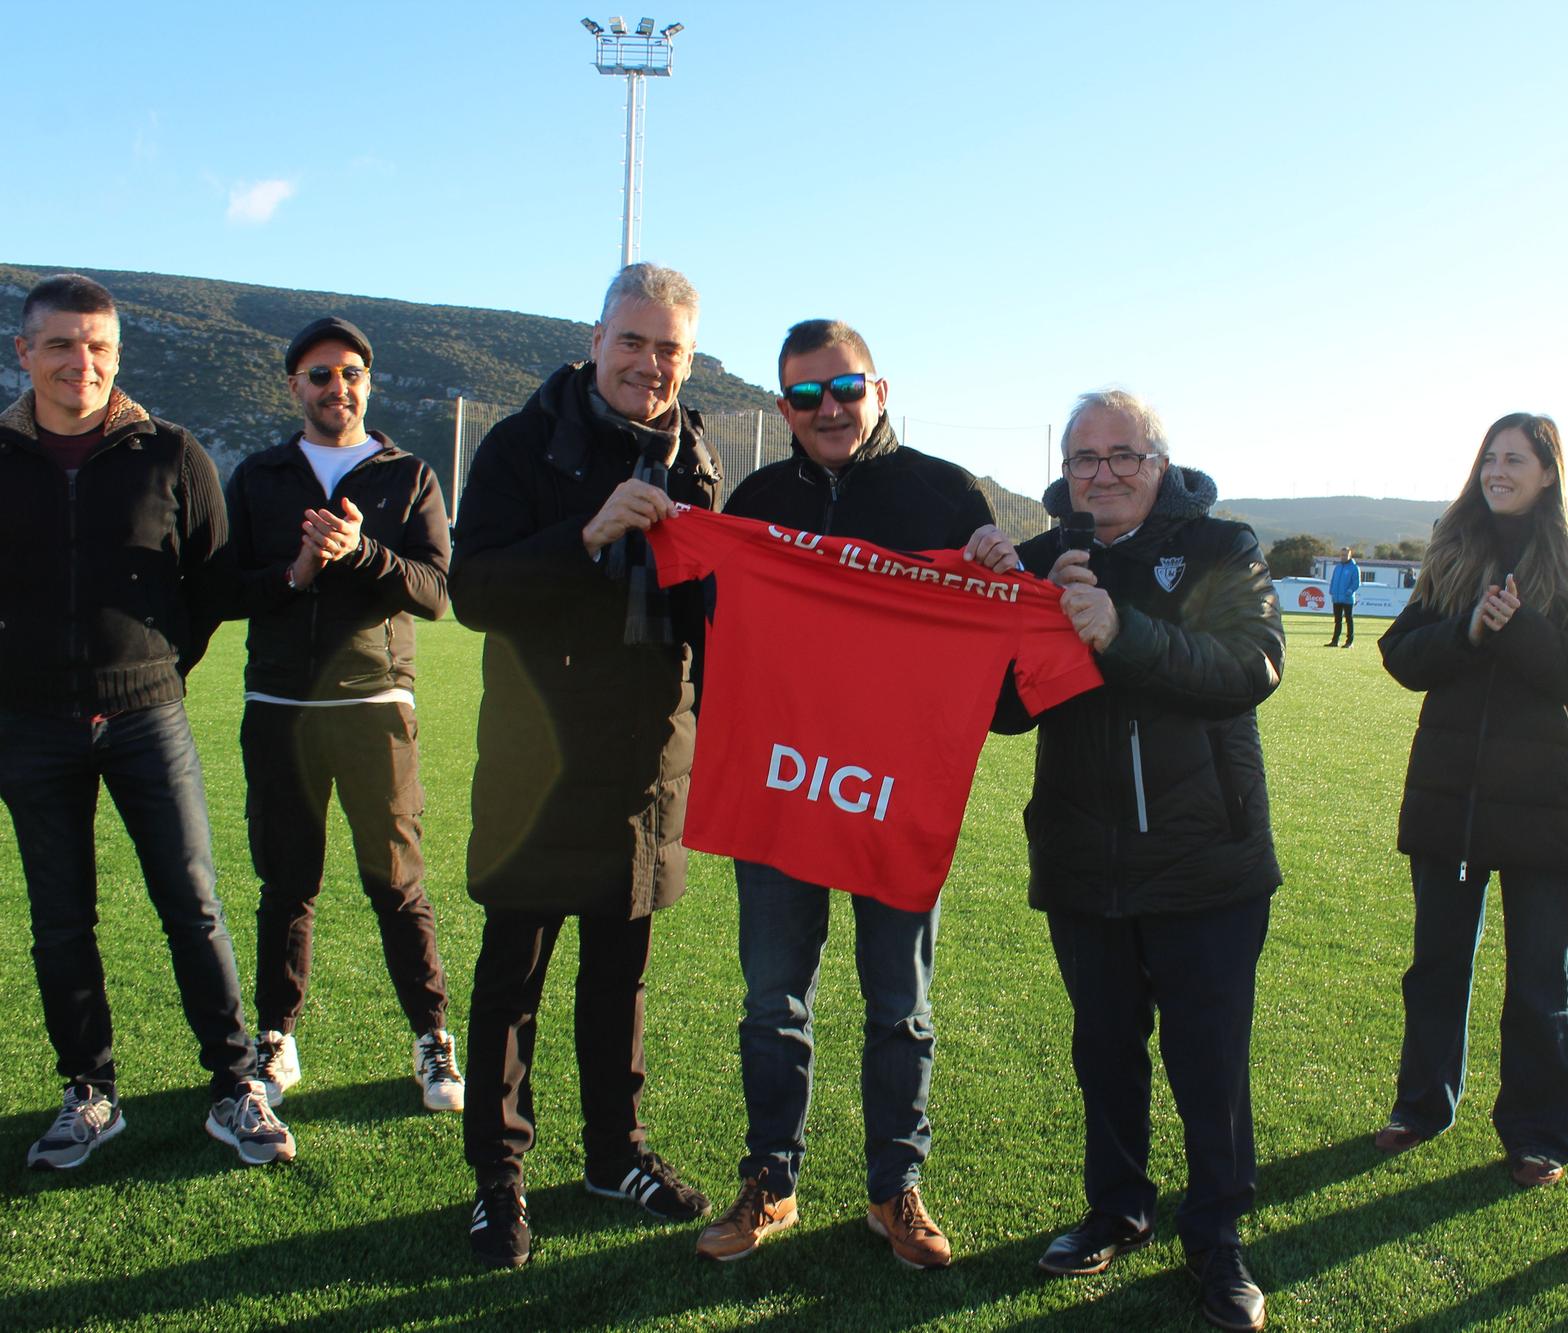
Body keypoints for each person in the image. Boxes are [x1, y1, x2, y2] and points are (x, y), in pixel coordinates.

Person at [692, 319, 1019, 1270]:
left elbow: (1000, 686)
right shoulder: (756, 501)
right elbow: (710, 636)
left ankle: (894, 1187)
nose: (827, 409)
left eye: (844, 388)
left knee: (900, 1005)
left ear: (880, 390)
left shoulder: (946, 494)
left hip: (893, 795)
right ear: (783, 405)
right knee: (773, 1000)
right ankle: (772, 1179)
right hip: (784, 787)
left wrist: (1002, 580)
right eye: (805, 395)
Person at [449, 263, 721, 1268]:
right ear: (595, 339)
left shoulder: (695, 456)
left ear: (688, 359)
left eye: (669, 349)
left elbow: (710, 612)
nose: (649, 364)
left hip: (648, 757)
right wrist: (586, 533)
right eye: (632, 341)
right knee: (512, 978)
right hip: (539, 759)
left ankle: (615, 1154)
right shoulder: (523, 442)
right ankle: (498, 1176)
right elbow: (472, 589)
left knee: (620, 975)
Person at [995, 390, 1283, 1333]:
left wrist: (1122, 631)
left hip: (1207, 855)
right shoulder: (1043, 556)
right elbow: (1004, 711)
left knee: (1210, 1061)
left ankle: (1218, 1237)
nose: (1104, 473)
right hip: (1084, 853)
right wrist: (1017, 608)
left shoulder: (1221, 545)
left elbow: (1250, 665)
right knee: (1104, 1048)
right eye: (1085, 458)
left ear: (1160, 462)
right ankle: (1116, 1207)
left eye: (1123, 455)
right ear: (1064, 470)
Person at [1, 273, 294, 1169]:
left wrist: (158, 670)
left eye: (97, 345)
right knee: (61, 920)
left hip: (146, 718)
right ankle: (88, 1092)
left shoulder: (171, 452)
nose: (80, 362)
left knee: (193, 905)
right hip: (28, 726)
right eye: (60, 343)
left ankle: (235, 1086)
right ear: (24, 352)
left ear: (117, 354)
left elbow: (211, 586)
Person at [209, 316, 463, 1115]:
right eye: (320, 374)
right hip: (280, 704)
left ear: (368, 382)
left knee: (397, 880)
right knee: (286, 882)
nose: (336, 387)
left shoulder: (408, 474)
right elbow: (224, 589)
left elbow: (436, 592)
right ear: (295, 386)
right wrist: (297, 570)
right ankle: (276, 1035)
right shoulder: (259, 475)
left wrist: (361, 553)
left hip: (374, 704)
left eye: (351, 372)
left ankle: (432, 1037)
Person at [1374, 413, 1568, 1190]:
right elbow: (1400, 653)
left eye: (1515, 458)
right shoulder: (1454, 550)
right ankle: (1422, 1104)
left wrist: (1517, 630)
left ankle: (1540, 1132)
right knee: (1437, 966)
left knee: (1543, 980)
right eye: (1490, 457)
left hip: (1547, 802)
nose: (1497, 470)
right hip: (1452, 799)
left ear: (1549, 472)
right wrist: (1470, 632)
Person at [1324, 546, 1359, 647]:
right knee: (1337, 620)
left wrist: (1350, 591)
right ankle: (1335, 641)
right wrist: (1332, 590)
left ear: (1349, 555)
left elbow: (1356, 582)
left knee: (1349, 620)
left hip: (1348, 598)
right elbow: (1334, 579)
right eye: (1342, 555)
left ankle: (1349, 641)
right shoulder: (1338, 567)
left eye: (1345, 555)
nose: (1343, 557)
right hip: (1337, 598)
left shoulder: (1354, 568)